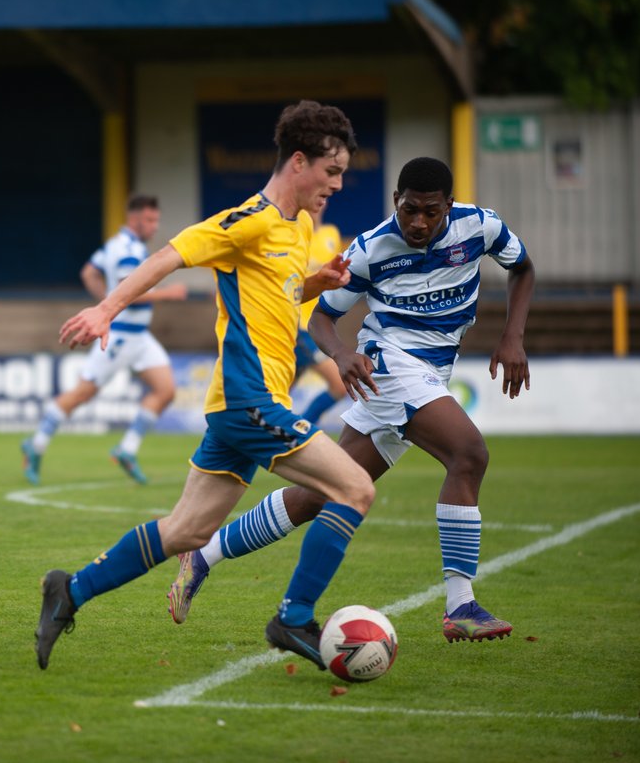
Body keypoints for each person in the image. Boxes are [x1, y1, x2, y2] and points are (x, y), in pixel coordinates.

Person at [35, 100, 373, 672]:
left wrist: (312, 283)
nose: (337, 185)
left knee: (187, 530)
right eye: (331, 171)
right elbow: (170, 255)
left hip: (241, 407)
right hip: (249, 401)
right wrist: (107, 308)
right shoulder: (248, 221)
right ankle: (293, 619)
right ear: (298, 161)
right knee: (355, 489)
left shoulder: (301, 227)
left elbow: (276, 295)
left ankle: (70, 589)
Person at [167, 156, 535, 644]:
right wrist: (340, 353)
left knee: (321, 493)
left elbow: (523, 268)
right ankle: (461, 605)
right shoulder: (370, 249)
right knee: (468, 453)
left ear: (449, 205)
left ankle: (204, 553)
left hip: (432, 371)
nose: (418, 222)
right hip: (388, 363)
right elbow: (321, 316)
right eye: (409, 210)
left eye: (430, 211)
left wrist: (513, 336)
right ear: (395, 202)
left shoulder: (481, 226)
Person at [20, 195, 187, 485]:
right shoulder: (128, 250)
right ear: (134, 219)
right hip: (120, 336)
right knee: (82, 393)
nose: (154, 225)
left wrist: (105, 302)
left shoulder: (114, 245)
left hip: (140, 337)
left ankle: (126, 450)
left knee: (166, 390)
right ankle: (35, 445)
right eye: (150, 220)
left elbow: (89, 272)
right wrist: (166, 294)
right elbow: (130, 292)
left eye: (155, 219)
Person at [293, 206, 348, 424]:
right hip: (298, 328)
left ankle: (272, 440)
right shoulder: (293, 237)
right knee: (339, 385)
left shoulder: (330, 234)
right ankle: (302, 429)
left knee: (275, 397)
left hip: (318, 327)